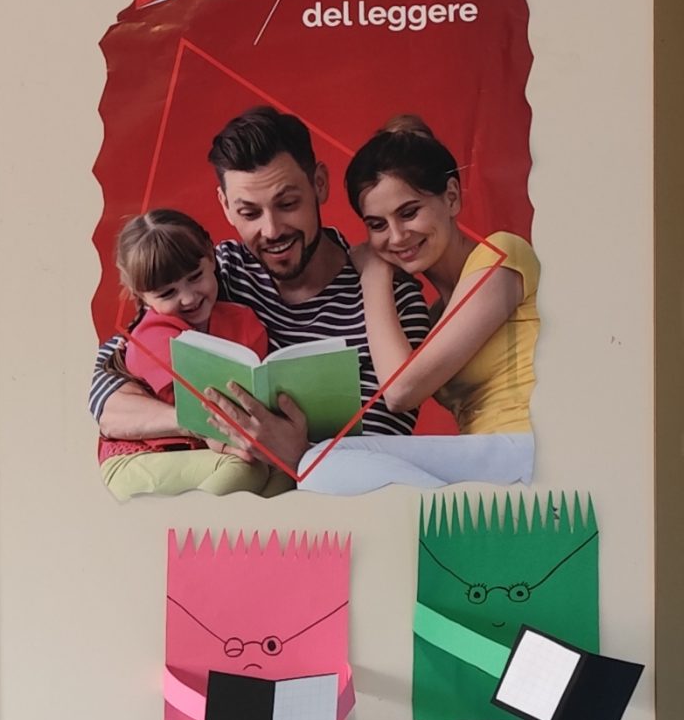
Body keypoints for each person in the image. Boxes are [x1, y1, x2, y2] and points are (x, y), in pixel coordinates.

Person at [88, 106, 432, 487]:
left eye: (287, 204)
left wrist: (297, 454)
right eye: (249, 213)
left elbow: (383, 462)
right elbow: (107, 395)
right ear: (225, 206)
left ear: (319, 184)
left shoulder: (392, 300)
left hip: (325, 512)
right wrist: (206, 420)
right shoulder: (217, 273)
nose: (271, 230)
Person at [332, 113, 539, 488]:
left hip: (534, 448)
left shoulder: (502, 255)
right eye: (377, 224)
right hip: (488, 470)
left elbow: (400, 391)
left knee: (330, 461)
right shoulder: (436, 315)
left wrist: (374, 276)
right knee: (335, 471)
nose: (397, 237)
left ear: (452, 197)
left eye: (409, 212)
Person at [96, 210, 286, 499]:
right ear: (141, 296)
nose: (188, 298)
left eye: (195, 277)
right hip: (140, 456)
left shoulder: (242, 321)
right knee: (244, 468)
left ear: (211, 257)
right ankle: (190, 526)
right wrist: (228, 442)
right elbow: (198, 410)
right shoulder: (152, 335)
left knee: (286, 472)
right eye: (167, 293)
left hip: (209, 450)